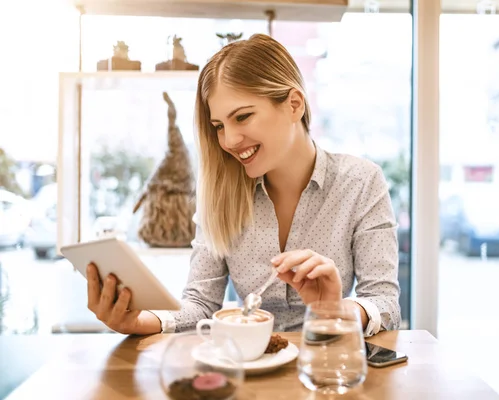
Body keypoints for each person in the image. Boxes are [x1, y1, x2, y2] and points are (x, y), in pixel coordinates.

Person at [86, 33, 401, 337]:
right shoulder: (220, 194)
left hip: (326, 366)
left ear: (294, 105)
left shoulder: (361, 182)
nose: (229, 140)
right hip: (245, 370)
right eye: (219, 126)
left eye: (243, 117)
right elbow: (200, 305)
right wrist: (142, 320)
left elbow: (386, 305)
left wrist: (336, 310)